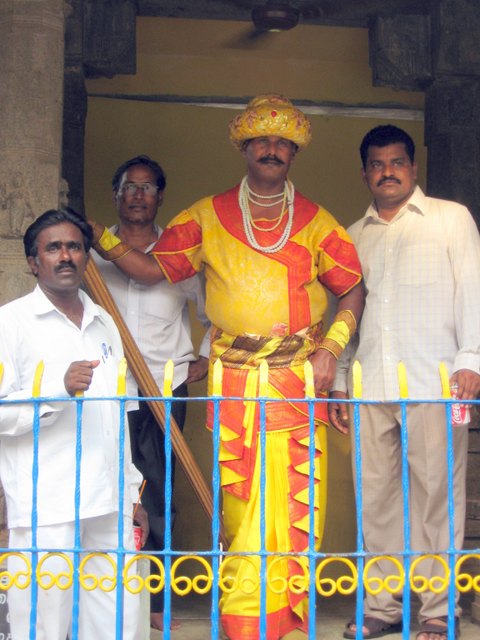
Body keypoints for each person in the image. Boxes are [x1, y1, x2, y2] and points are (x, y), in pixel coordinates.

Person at [89, 94, 365, 640]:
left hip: (297, 373)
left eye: (282, 142)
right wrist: (100, 237)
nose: (271, 150)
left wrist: (331, 349)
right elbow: (152, 271)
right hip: (232, 375)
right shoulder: (205, 215)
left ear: (294, 153)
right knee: (241, 503)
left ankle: (281, 615)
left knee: (293, 496)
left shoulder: (317, 222)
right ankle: (246, 618)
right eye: (260, 141)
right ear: (244, 149)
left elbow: (352, 288)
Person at [328, 125, 480, 640]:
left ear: (413, 168)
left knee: (438, 498)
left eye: (397, 162)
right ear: (364, 173)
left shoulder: (450, 219)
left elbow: (472, 291)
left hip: (435, 382)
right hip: (370, 385)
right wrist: (341, 381)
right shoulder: (352, 236)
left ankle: (439, 609)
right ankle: (383, 606)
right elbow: (348, 315)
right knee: (375, 501)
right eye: (377, 164)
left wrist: (470, 359)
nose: (387, 172)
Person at [0, 208, 148, 640]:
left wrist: (131, 493)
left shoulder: (105, 323)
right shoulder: (10, 323)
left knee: (117, 620)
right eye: (53, 249)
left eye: (74, 247)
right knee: (43, 624)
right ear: (34, 262)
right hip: (48, 502)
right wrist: (57, 391)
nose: (65, 256)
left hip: (109, 502)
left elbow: (119, 416)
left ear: (86, 257)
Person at [92, 154, 211, 631]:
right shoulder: (92, 253)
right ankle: (107, 596)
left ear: (160, 198)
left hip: (166, 387)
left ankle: (156, 602)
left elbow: (215, 311)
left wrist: (205, 357)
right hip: (106, 389)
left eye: (147, 188)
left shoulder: (181, 255)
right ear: (115, 195)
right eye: (129, 187)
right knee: (104, 488)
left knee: (158, 491)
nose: (138, 195)